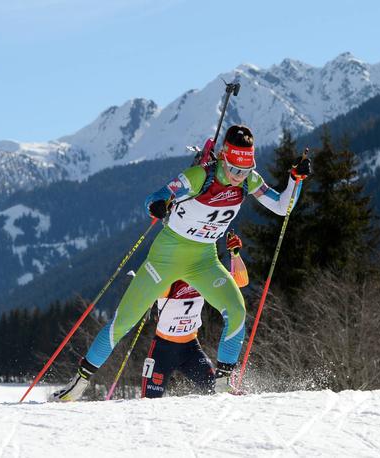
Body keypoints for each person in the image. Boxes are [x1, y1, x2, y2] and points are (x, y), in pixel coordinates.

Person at [52, 124, 310, 402]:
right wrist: (158, 205)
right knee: (123, 321)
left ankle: (223, 385)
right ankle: (78, 384)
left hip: (203, 260)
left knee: (236, 310)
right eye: (235, 170)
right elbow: (157, 196)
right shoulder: (200, 176)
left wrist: (295, 179)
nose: (238, 177)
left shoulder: (249, 181)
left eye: (244, 171)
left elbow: (283, 207)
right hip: (165, 258)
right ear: (224, 157)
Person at [141, 231, 246, 398]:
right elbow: (149, 289)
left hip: (191, 349)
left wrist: (235, 255)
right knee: (149, 401)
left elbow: (240, 282)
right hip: (163, 350)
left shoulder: (205, 279)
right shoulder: (171, 281)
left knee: (218, 392)